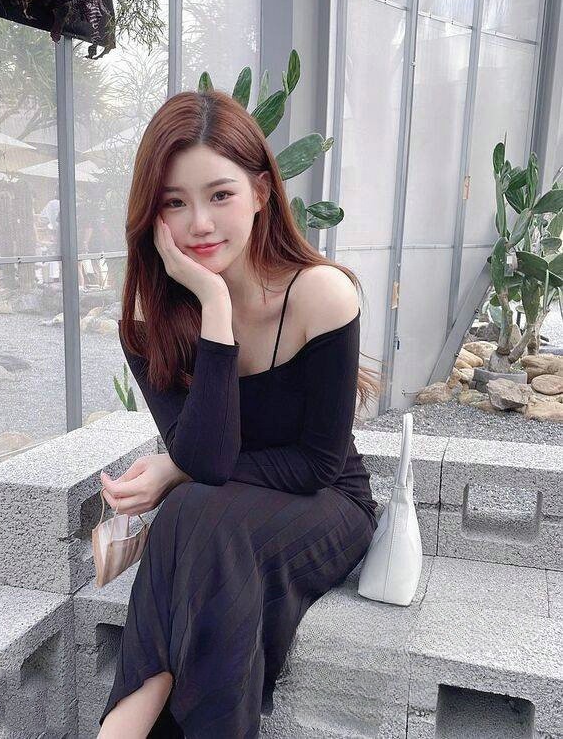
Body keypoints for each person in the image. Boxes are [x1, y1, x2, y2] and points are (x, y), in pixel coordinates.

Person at [97, 89, 382, 739]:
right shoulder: (147, 320)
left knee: (195, 510)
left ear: (260, 192)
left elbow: (314, 466)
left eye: (219, 195)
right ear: (152, 214)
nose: (199, 223)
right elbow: (208, 457)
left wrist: (176, 471)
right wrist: (213, 308)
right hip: (221, 511)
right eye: (174, 202)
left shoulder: (320, 295)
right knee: (199, 515)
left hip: (327, 504)